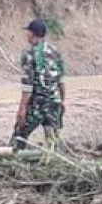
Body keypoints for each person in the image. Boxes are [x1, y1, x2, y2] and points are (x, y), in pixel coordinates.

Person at [11, 18, 66, 151]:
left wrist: (22, 109)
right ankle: (54, 163)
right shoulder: (55, 51)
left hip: (37, 104)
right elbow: (61, 80)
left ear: (32, 34)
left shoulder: (29, 55)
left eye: (28, 32)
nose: (27, 35)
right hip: (54, 103)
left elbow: (28, 87)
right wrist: (62, 101)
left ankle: (13, 163)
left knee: (19, 136)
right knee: (53, 141)